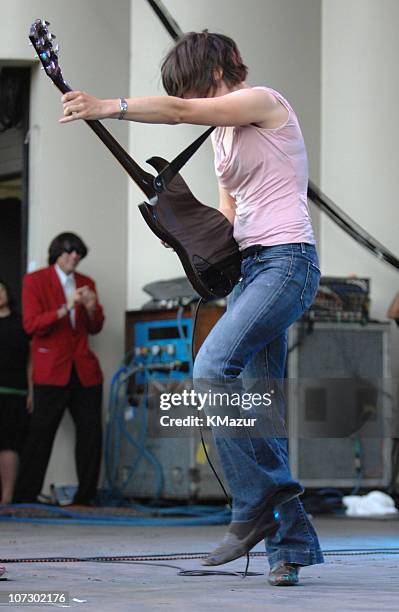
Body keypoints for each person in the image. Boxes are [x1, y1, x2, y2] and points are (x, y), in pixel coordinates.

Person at [59, 31, 323, 585]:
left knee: (209, 369)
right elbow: (228, 221)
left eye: (195, 84)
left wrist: (108, 107)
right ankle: (288, 548)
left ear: (223, 67)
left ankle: (251, 507)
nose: (191, 96)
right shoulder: (222, 141)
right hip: (251, 271)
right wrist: (182, 227)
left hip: (289, 263)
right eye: (185, 89)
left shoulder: (265, 102)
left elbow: (181, 111)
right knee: (262, 409)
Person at [14, 233, 104, 506]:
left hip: (85, 372)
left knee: (91, 435)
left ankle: (85, 498)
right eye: (69, 251)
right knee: (40, 436)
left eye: (78, 253)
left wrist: (90, 309)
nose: (74, 257)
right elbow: (31, 326)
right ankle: (25, 498)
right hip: (51, 370)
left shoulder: (87, 283)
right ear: (56, 253)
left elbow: (96, 327)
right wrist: (66, 308)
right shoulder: (35, 280)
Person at [0, 280, 31, 504]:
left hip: (15, 392)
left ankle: (7, 497)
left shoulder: (22, 323)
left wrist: (32, 391)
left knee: (10, 445)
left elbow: (32, 361)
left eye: (1, 289)